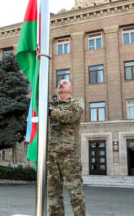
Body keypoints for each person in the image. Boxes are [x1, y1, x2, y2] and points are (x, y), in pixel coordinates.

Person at [47, 79, 86, 216]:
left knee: (75, 192)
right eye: (59, 83)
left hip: (69, 154)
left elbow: (71, 116)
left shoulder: (76, 102)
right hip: (51, 153)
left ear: (71, 89)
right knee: (53, 194)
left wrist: (51, 112)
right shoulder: (51, 105)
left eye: (65, 83)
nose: (61, 84)